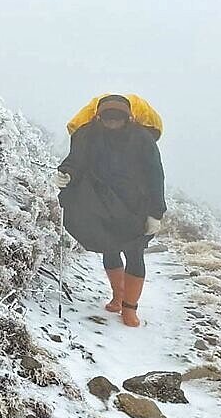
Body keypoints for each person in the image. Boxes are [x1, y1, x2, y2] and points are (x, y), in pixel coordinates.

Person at [54, 94, 166, 327]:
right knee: (110, 248)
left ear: (128, 118)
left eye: (118, 119)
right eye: (108, 118)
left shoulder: (143, 139)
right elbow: (76, 161)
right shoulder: (87, 136)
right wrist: (67, 174)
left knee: (134, 252)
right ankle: (118, 297)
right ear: (98, 117)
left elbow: (156, 176)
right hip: (100, 203)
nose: (113, 123)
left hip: (136, 205)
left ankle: (130, 309)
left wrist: (156, 212)